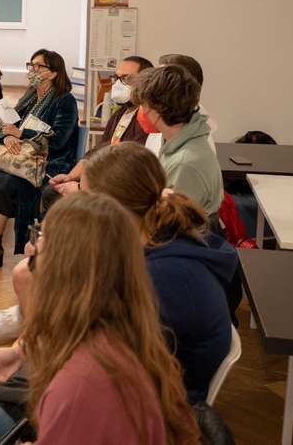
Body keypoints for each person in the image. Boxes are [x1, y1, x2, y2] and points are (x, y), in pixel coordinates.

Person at [0, 193, 200, 445]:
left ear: (62, 275)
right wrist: (23, 353)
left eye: (36, 252)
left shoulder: (78, 383)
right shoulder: (121, 326)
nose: (28, 255)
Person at [83, 143, 237, 404]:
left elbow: (109, 368)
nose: (79, 212)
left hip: (157, 408)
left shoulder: (165, 276)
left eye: (85, 201)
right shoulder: (164, 243)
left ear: (115, 210)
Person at [0, 49, 79, 274]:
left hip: (46, 161)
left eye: (39, 66)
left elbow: (59, 139)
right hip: (18, 158)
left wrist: (21, 135)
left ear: (53, 73)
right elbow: (8, 127)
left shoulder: (65, 100)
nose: (33, 70)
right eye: (31, 65)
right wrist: (8, 138)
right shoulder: (29, 98)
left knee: (1, 185)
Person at [47, 55, 153, 197]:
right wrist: (70, 177)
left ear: (144, 81)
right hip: (105, 182)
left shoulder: (146, 119)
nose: (118, 84)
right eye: (116, 78)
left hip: (122, 190)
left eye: (126, 78)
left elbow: (130, 167)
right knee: (51, 192)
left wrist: (82, 188)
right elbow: (96, 152)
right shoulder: (119, 114)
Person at [131, 64, 223, 220]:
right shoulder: (176, 142)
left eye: (142, 105)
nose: (141, 111)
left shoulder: (184, 163)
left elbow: (168, 222)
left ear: (158, 109)